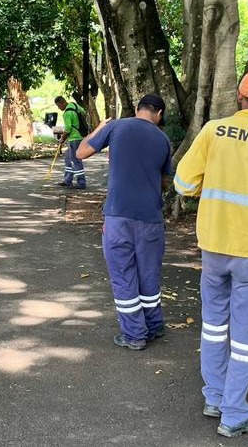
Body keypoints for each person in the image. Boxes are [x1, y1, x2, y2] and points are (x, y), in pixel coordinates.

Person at [173, 69, 248, 438]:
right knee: (243, 336)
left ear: (240, 97)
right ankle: (234, 412)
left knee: (213, 326)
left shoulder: (212, 131)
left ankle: (214, 397)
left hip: (213, 247)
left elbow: (183, 183)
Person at [77, 94, 173, 351]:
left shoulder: (116, 126)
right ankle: (154, 325)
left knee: (123, 274)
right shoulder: (163, 139)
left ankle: (134, 335)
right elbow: (165, 181)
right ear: (159, 114)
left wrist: (99, 127)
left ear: (137, 109)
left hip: (119, 217)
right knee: (149, 274)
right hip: (151, 218)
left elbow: (81, 152)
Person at [54, 96, 87, 189]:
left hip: (74, 138)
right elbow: (84, 113)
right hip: (80, 136)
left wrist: (62, 139)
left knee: (75, 160)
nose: (58, 108)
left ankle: (81, 183)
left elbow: (68, 129)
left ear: (62, 102)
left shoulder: (68, 112)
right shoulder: (75, 106)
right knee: (68, 159)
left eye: (58, 105)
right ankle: (67, 180)